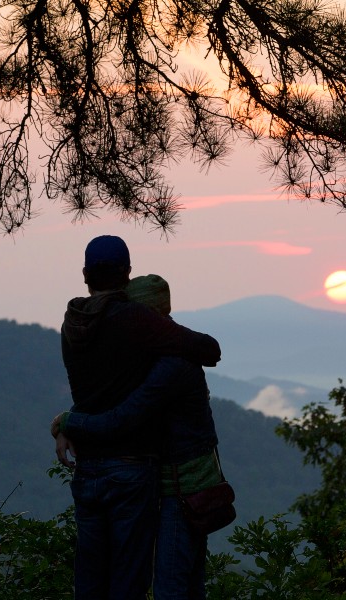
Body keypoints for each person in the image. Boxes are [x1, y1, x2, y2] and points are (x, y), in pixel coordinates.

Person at [59, 236, 221, 600]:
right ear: (127, 274)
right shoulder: (135, 319)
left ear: (85, 274)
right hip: (131, 470)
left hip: (86, 470)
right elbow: (209, 349)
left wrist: (67, 422)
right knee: (129, 583)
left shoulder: (72, 323)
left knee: (88, 582)